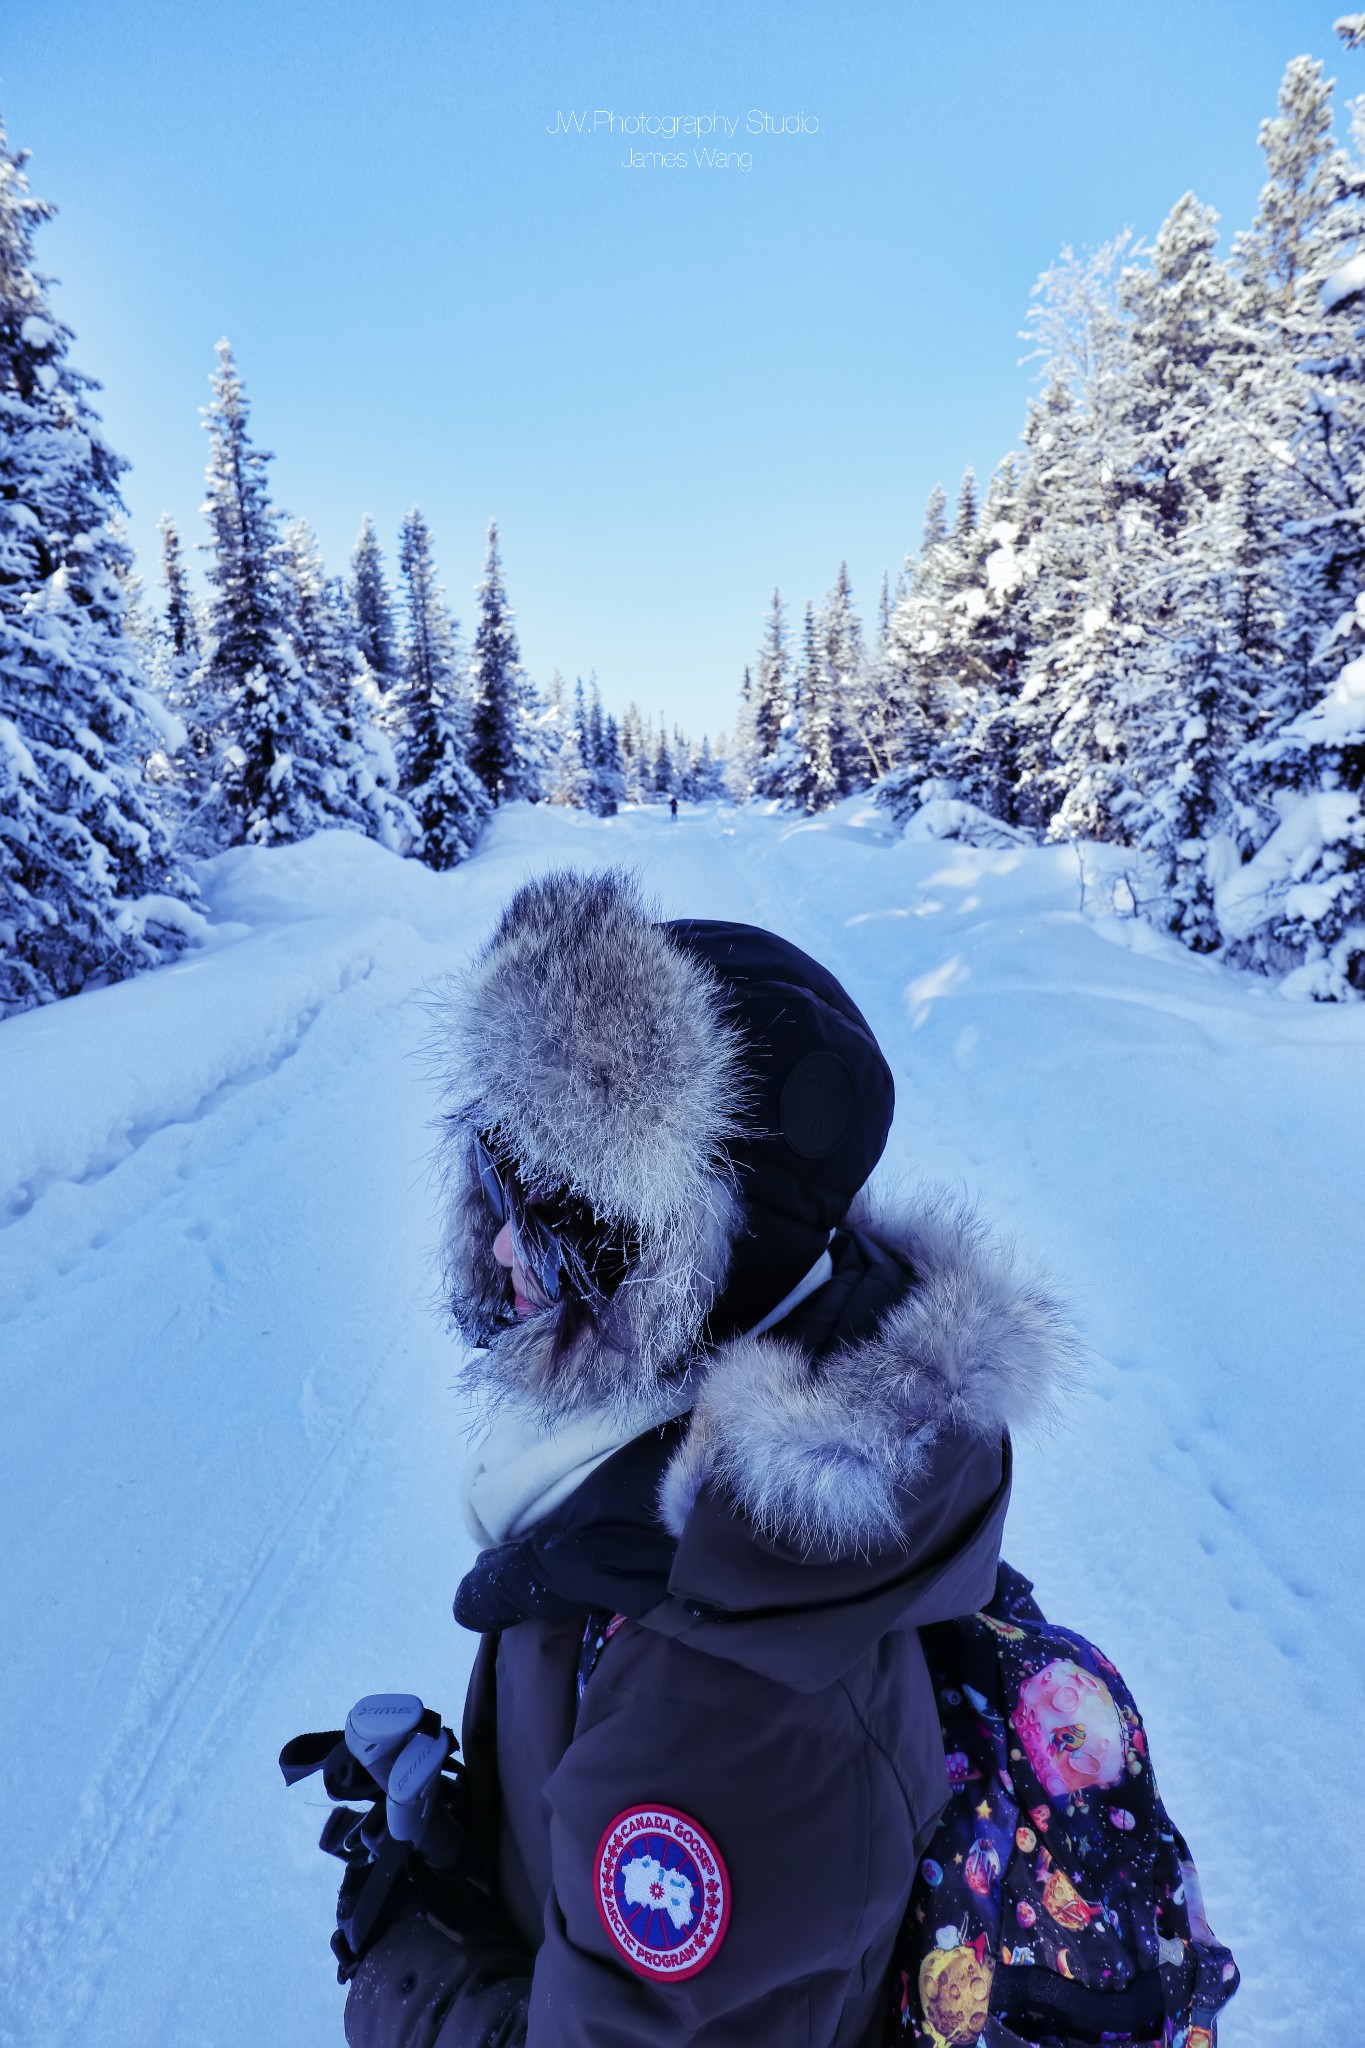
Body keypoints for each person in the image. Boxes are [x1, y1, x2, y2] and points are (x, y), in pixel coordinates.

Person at [341, 867, 1079, 2048]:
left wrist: (410, 1969)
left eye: (565, 1209)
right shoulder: (667, 1475)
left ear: (711, 1259)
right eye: (499, 1173)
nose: (499, 1240)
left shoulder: (733, 1707)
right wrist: (475, 1848)